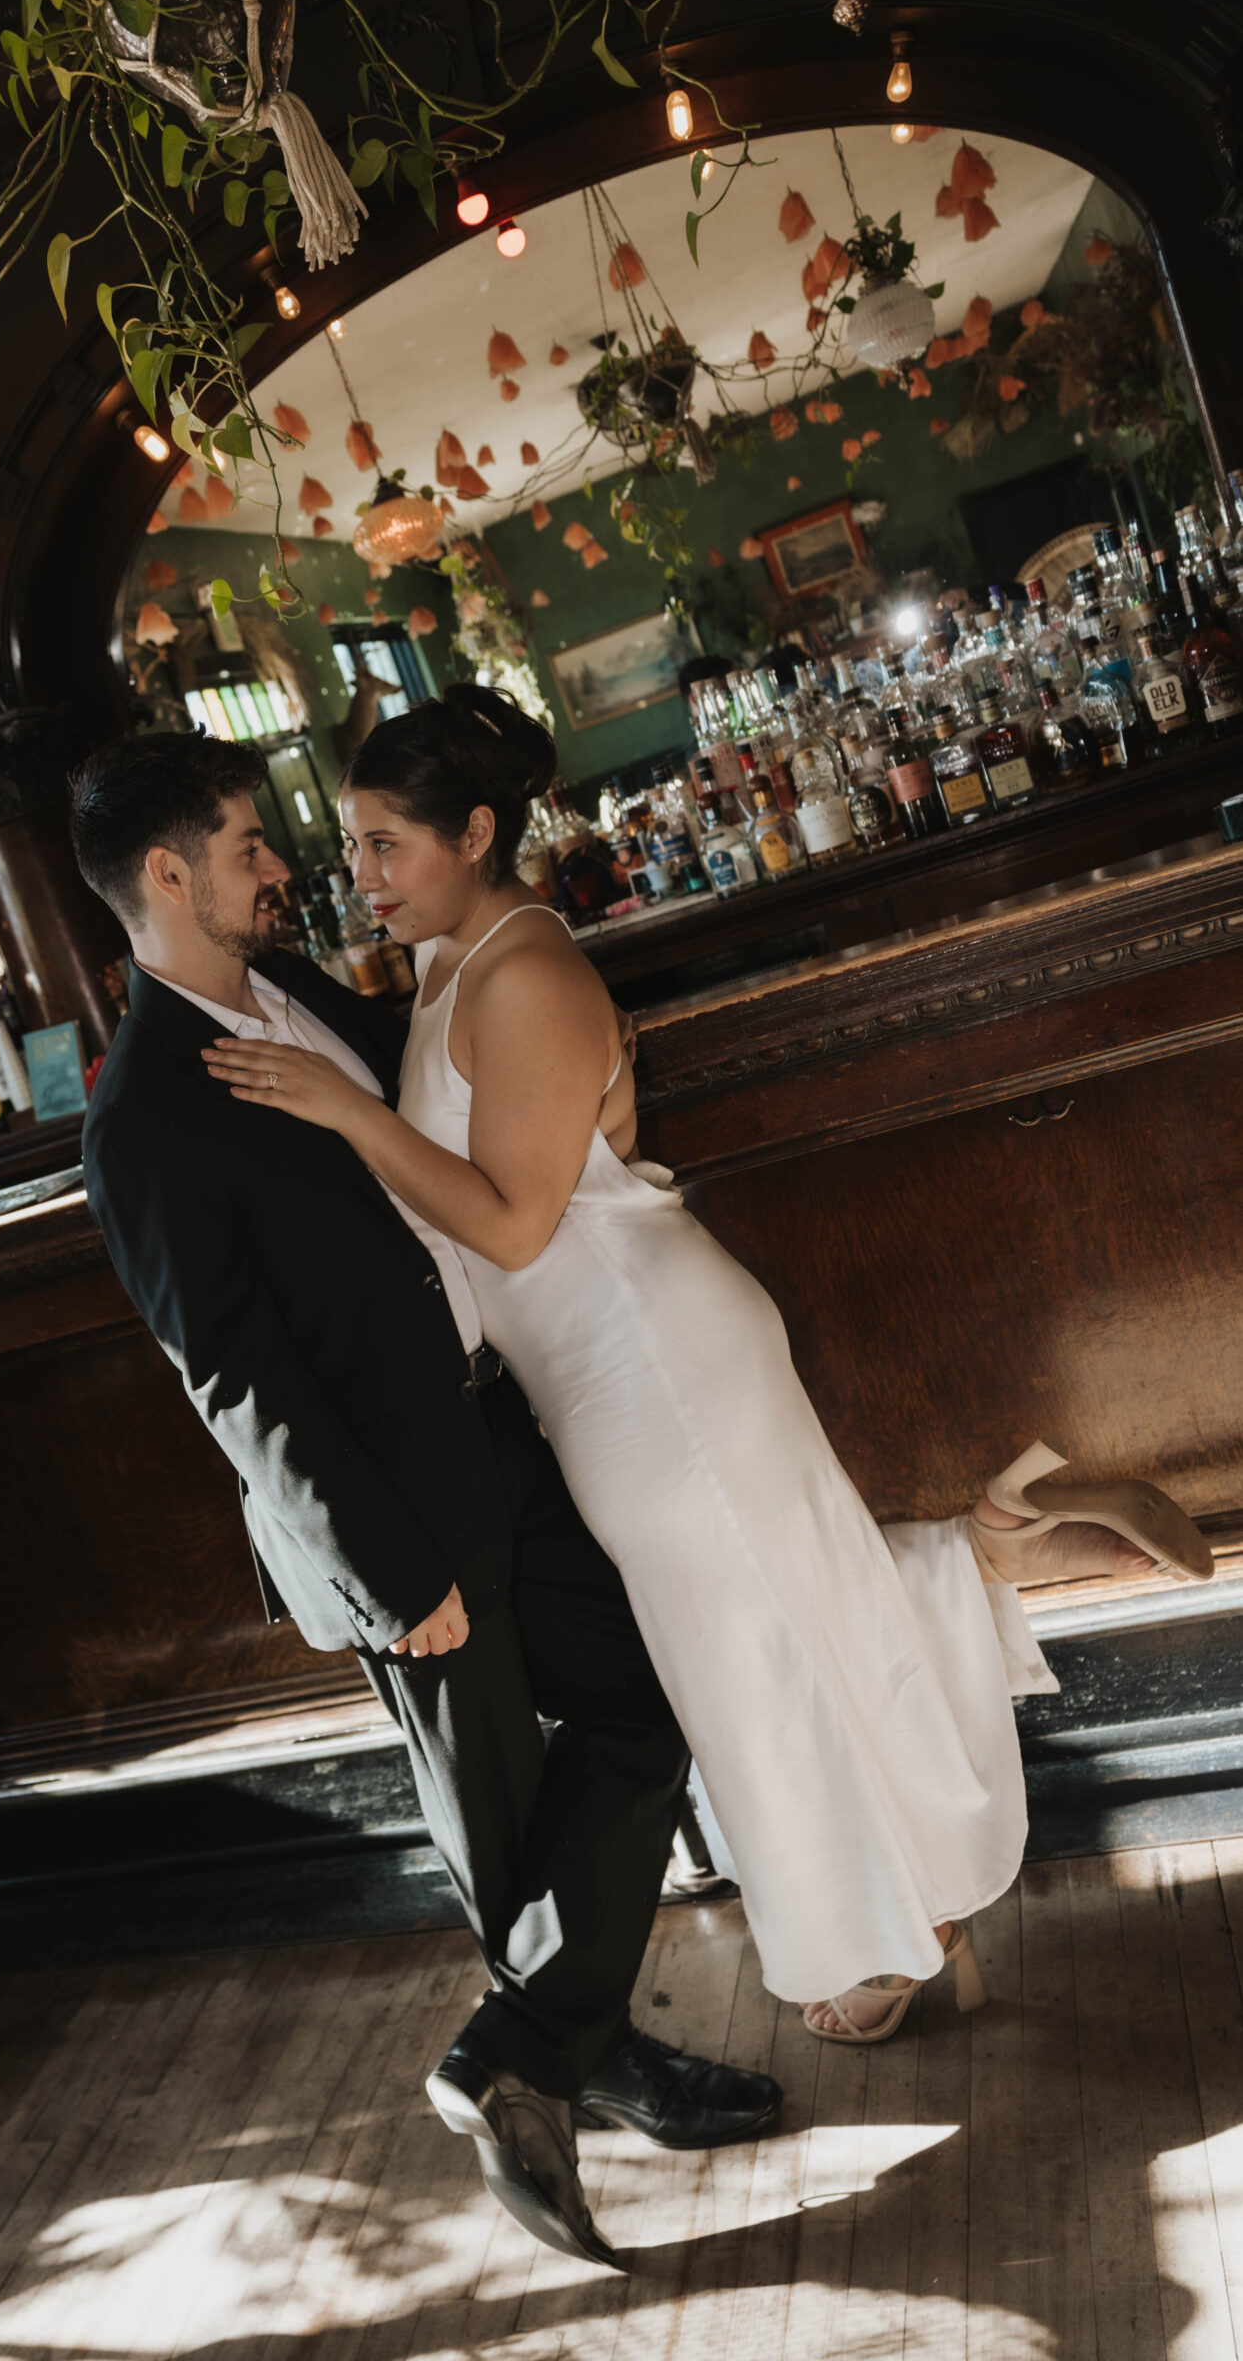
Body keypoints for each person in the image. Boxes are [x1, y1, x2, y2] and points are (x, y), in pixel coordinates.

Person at [200, 686, 1215, 2046]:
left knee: (750, 1656)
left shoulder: (527, 972)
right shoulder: (455, 963)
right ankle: (997, 1541)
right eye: (355, 844)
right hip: (601, 1365)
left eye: (386, 844)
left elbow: (510, 1218)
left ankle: (885, 1925)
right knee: (773, 1625)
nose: (360, 875)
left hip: (653, 1361)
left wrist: (340, 1109)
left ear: (478, 833)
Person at [71, 733, 780, 2269]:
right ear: (170, 875)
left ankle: (527, 2049)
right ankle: (583, 2062)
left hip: (502, 1436)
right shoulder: (139, 1118)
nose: (281, 867)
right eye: (251, 844)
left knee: (646, 1708)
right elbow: (234, 1380)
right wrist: (388, 1570)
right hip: (392, 1512)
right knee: (501, 1817)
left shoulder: (312, 999)